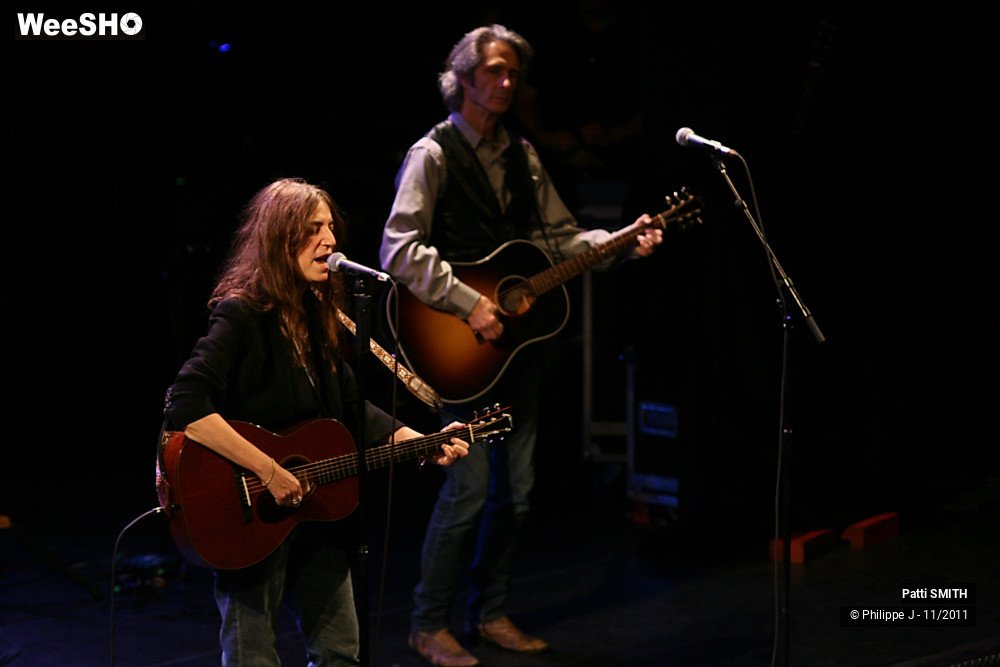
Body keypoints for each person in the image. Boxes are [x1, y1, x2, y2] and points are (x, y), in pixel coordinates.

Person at [379, 24, 663, 667]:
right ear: (464, 77)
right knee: (468, 491)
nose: (507, 83)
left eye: (514, 73)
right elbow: (399, 248)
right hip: (456, 347)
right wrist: (469, 302)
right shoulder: (433, 153)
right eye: (495, 71)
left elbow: (560, 239)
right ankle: (427, 623)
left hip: (514, 352)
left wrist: (621, 241)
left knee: (520, 491)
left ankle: (490, 612)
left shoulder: (522, 155)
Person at [162, 177, 471, 665]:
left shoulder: (318, 313)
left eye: (330, 227)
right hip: (249, 509)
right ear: (279, 238)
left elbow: (351, 407)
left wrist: (421, 441)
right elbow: (185, 407)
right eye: (313, 229)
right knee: (252, 655)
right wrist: (268, 470)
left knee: (340, 651)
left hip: (316, 510)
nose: (330, 240)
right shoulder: (241, 314)